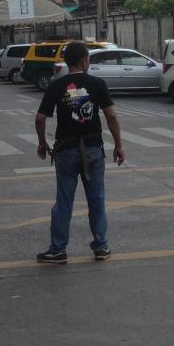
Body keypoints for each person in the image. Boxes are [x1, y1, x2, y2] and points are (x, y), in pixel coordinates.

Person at [34, 41, 125, 264]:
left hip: (65, 149)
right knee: (96, 199)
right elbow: (111, 117)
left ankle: (58, 249)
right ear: (84, 60)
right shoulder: (97, 83)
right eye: (88, 59)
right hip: (93, 149)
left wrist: (41, 142)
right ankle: (101, 247)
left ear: (67, 61)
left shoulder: (56, 85)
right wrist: (119, 145)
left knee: (64, 201)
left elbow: (40, 118)